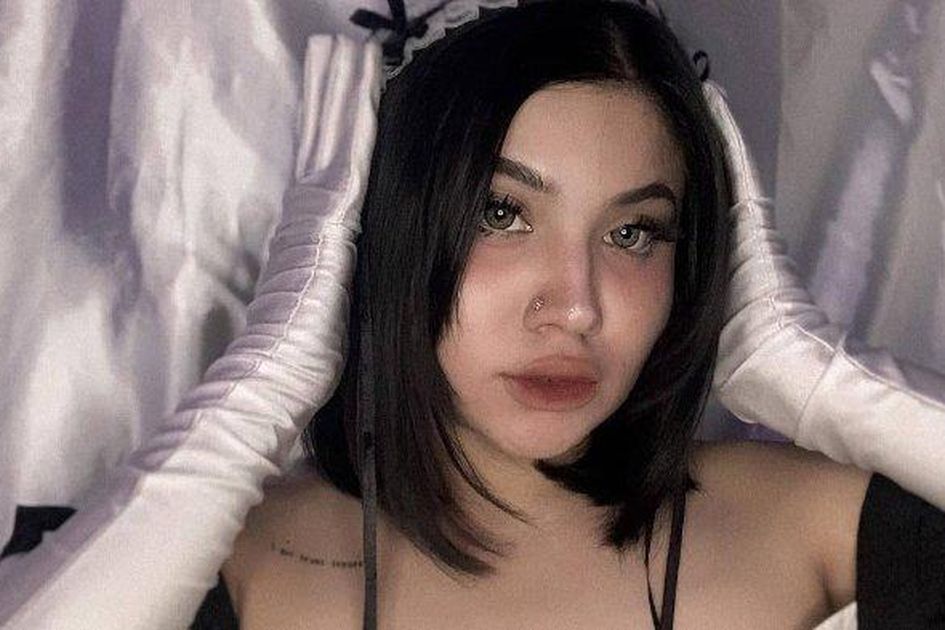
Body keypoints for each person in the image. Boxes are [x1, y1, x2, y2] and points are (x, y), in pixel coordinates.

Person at [1, 2, 943, 629]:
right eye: (501, 213)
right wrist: (260, 387)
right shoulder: (219, 556)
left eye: (633, 233)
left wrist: (809, 370)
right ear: (390, 229)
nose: (573, 306)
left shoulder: (820, 526)